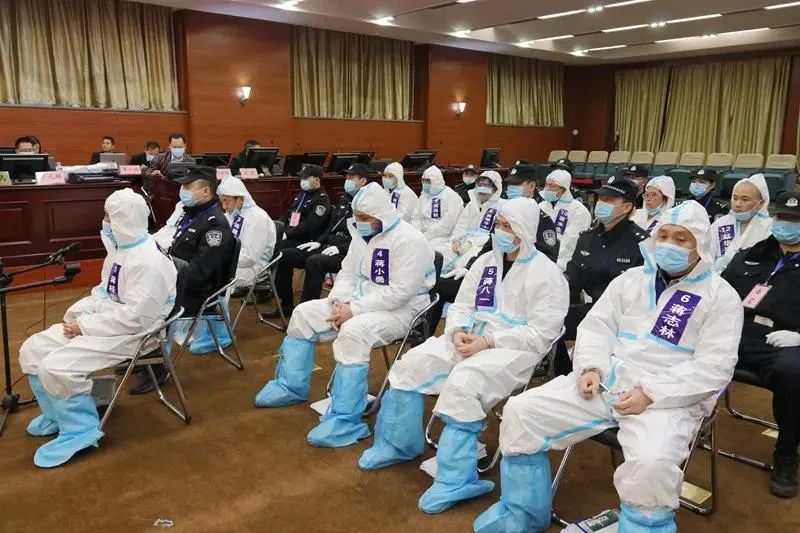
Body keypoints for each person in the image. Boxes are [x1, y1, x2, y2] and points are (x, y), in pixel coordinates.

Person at [473, 200, 744, 533]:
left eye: (681, 239)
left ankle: (643, 527)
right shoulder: (631, 281)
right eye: (663, 236)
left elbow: (715, 367)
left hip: (667, 400)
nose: (669, 245)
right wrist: (591, 367)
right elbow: (596, 327)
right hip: (607, 382)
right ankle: (522, 514)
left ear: (699, 244)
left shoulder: (720, 297)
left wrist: (651, 393)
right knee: (522, 411)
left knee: (651, 464)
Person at [359, 198, 569, 515]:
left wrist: (489, 341)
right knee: (411, 364)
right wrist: (457, 330)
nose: (501, 231)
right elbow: (462, 305)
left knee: (464, 382)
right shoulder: (486, 262)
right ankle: (398, 444)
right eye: (499, 224)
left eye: (509, 226)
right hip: (469, 338)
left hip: (513, 351)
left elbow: (541, 334)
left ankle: (456, 479)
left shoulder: (547, 274)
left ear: (525, 231)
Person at [254, 183, 435, 450]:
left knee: (353, 332)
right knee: (303, 314)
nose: (358, 222)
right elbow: (348, 273)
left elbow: (400, 293)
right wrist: (337, 302)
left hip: (400, 311)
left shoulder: (410, 241)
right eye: (356, 216)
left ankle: (345, 418)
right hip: (355, 301)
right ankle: (291, 386)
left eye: (364, 218)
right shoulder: (362, 235)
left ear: (381, 216)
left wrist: (354, 310)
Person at [19, 189, 177, 467]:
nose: (105, 222)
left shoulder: (149, 261)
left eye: (109, 217)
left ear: (125, 220)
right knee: (33, 349)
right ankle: (57, 414)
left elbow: (137, 319)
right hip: (107, 322)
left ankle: (79, 430)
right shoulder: (121, 251)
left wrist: (84, 326)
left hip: (137, 335)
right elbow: (105, 292)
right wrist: (80, 315)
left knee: (56, 367)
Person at [722, 191, 800, 498]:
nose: (785, 224)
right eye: (782, 217)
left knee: (793, 373)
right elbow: (719, 290)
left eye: (794, 219)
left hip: (785, 341)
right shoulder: (754, 253)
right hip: (738, 333)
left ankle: (786, 452)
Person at [131, 166, 235, 391]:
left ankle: (158, 365)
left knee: (151, 304)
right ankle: (140, 354)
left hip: (199, 291)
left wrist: (164, 280)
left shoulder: (215, 225)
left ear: (206, 191)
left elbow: (200, 272)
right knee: (135, 293)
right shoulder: (192, 214)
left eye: (188, 186)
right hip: (178, 279)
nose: (182, 190)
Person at [425, 165, 559, 331]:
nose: (511, 189)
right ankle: (425, 333)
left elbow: (547, 260)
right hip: (489, 276)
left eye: (516, 185)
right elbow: (489, 247)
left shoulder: (541, 219)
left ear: (531, 186)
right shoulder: (503, 214)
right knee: (440, 286)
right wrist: (469, 268)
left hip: (517, 286)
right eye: (510, 185)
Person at [555, 176, 648, 375]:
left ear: (627, 207)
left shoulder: (641, 243)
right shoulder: (587, 238)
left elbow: (643, 294)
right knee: (553, 320)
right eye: (601, 198)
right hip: (591, 309)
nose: (601, 203)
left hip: (623, 317)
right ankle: (564, 375)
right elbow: (572, 278)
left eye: (610, 200)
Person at [267, 164, 365, 318]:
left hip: (347, 252)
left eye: (351, 177)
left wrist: (341, 248)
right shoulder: (344, 199)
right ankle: (285, 305)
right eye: (347, 177)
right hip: (326, 244)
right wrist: (319, 242)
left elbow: (364, 238)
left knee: (314, 262)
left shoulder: (366, 204)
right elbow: (331, 226)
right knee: (284, 255)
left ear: (363, 181)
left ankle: (306, 311)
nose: (347, 180)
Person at [438, 170, 505, 275]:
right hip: (462, 241)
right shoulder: (471, 205)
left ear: (495, 188)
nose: (482, 188)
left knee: (464, 264)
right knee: (439, 253)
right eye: (480, 185)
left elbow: (494, 235)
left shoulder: (502, 207)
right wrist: (456, 240)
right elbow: (461, 225)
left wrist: (471, 243)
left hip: (481, 246)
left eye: (486, 185)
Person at [217, 176, 276, 288]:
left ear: (240, 199)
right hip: (233, 262)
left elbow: (250, 258)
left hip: (253, 268)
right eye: (221, 201)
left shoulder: (257, 218)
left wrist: (222, 259)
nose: (224, 206)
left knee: (212, 274)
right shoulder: (232, 214)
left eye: (226, 201)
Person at [710, 173, 772, 272]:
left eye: (744, 199)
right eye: (735, 198)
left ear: (761, 203)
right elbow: (707, 257)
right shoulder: (720, 224)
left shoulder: (769, 227)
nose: (737, 204)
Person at [539, 169, 592, 271]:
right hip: (539, 256)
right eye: (546, 185)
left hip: (564, 262)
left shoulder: (579, 211)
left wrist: (548, 256)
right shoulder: (540, 206)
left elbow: (571, 242)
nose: (547, 189)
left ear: (563, 189)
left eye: (551, 186)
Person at [278, 164, 331, 249]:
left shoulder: (321, 199)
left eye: (306, 178)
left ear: (317, 179)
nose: (302, 181)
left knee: (277, 247)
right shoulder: (303, 194)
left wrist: (288, 234)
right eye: (302, 178)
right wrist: (277, 225)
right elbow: (290, 212)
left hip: (303, 237)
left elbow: (310, 223)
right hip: (292, 231)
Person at [411, 165, 464, 249]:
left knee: (426, 248)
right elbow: (415, 216)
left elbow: (448, 224)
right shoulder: (424, 196)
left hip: (442, 236)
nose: (424, 184)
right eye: (423, 180)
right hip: (422, 233)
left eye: (428, 181)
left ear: (436, 181)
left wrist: (428, 234)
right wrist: (417, 230)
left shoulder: (451, 197)